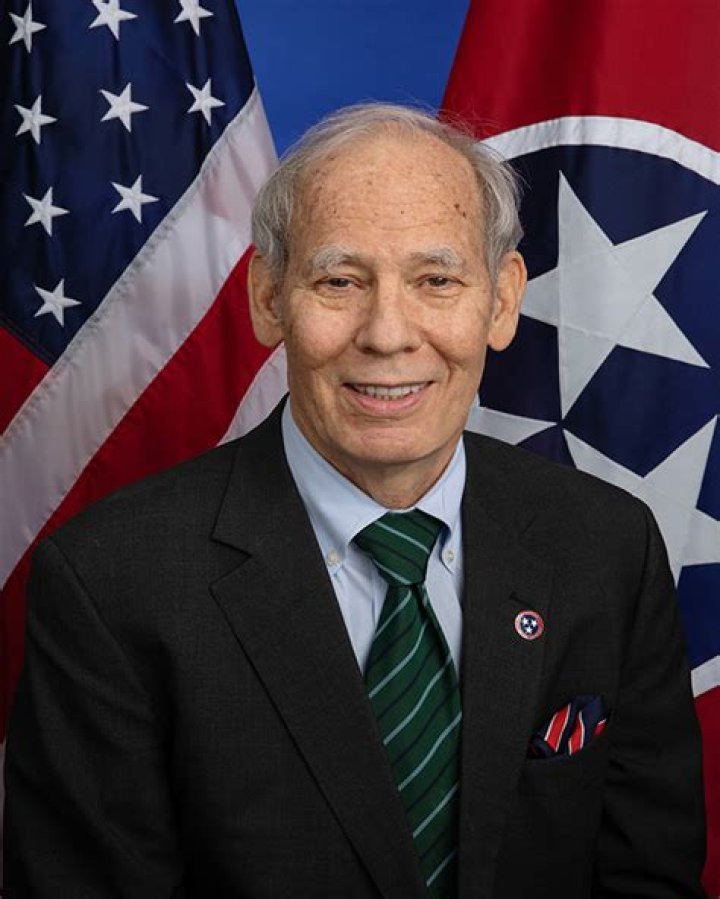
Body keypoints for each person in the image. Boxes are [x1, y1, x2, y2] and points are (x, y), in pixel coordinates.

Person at [3, 104, 705, 897]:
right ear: (269, 298)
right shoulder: (110, 583)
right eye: (339, 281)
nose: (387, 334)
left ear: (502, 300)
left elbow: (649, 878)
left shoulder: (607, 547)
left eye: (436, 280)